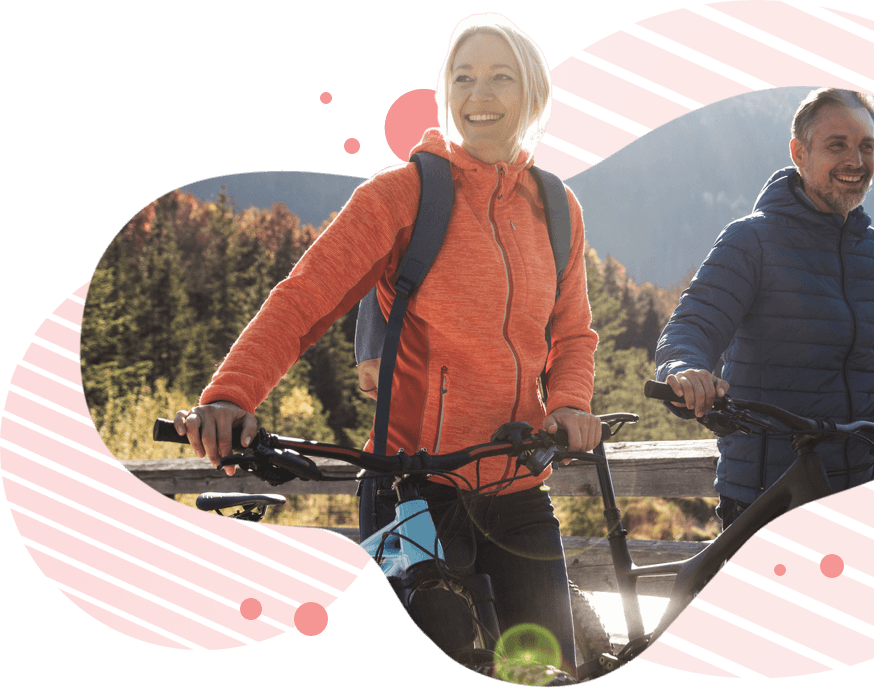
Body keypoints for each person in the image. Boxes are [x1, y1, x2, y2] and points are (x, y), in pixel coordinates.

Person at [172, 12, 599, 676]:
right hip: (406, 489)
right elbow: (304, 299)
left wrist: (569, 404)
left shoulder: (557, 208)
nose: (478, 95)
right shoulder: (402, 196)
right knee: (445, 637)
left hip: (519, 489)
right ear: (444, 93)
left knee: (547, 665)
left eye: (499, 78)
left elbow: (573, 334)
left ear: (534, 94)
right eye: (462, 78)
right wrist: (232, 394)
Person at [655, 88, 874, 529]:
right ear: (799, 153)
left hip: (861, 482)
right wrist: (685, 368)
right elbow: (693, 326)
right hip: (766, 494)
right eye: (837, 145)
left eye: (866, 146)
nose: (856, 160)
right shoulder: (751, 241)